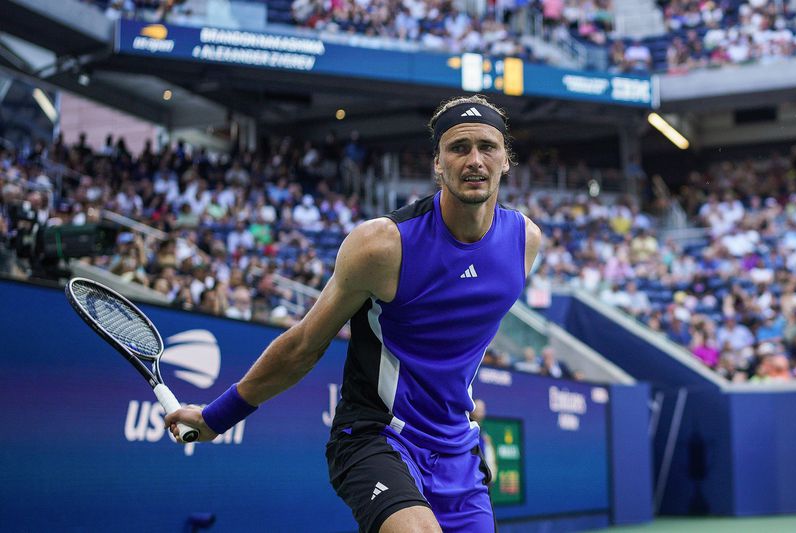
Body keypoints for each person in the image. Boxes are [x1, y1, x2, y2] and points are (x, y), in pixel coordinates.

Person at [165, 95, 542, 533]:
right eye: (458, 148)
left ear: (506, 160)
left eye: (487, 147)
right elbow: (304, 344)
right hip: (376, 436)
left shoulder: (524, 243)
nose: (474, 160)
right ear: (437, 163)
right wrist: (216, 417)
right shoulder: (383, 246)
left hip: (458, 447)